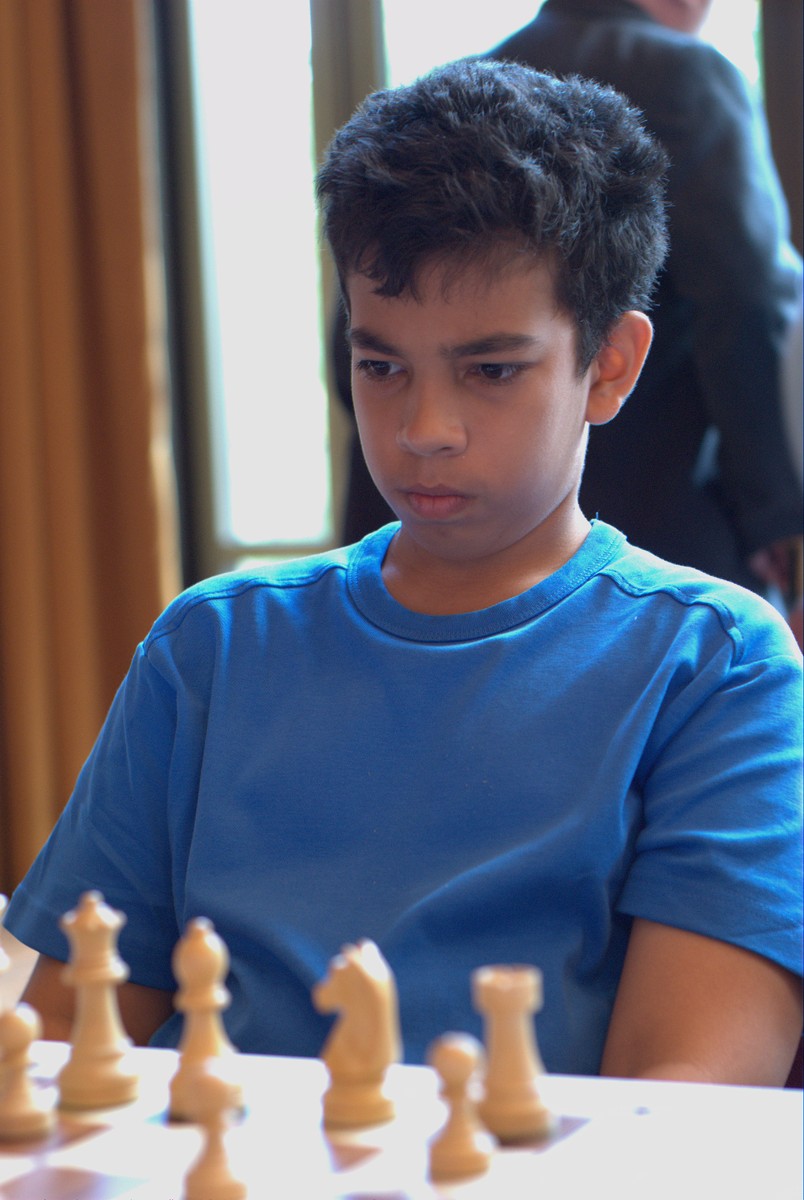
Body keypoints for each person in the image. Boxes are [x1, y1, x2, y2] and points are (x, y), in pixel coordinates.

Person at [5, 60, 802, 1084]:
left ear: (609, 365)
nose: (424, 429)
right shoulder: (213, 645)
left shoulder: (717, 666)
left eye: (491, 370)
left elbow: (682, 1112)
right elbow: (65, 1058)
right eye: (380, 366)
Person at [486, 0, 803, 604]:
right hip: (666, 527)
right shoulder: (688, 73)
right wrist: (779, 517)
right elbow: (747, 297)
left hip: (488, 540)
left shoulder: (467, 82)